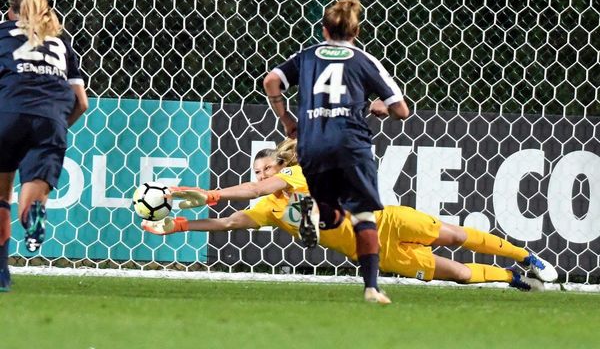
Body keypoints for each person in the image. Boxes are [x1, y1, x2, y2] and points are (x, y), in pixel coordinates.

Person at [141, 139, 558, 302]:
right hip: (371, 249)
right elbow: (230, 223)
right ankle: (513, 279)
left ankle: (526, 257)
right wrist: (178, 225)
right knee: (460, 275)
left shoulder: (299, 175)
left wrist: (210, 195)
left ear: (279, 165)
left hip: (385, 221)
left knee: (452, 233)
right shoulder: (270, 208)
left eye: (265, 168)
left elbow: (251, 192)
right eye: (258, 171)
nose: (261, 175)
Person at [262, 0, 410, 303]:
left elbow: (271, 81)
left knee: (332, 216)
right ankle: (371, 287)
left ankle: (313, 211)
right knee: (363, 214)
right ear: (355, 32)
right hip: (351, 145)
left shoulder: (306, 56)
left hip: (312, 144)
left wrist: (288, 118)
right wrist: (381, 105)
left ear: (324, 30)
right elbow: (402, 110)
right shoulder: (364, 60)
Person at [0, 0, 89, 292]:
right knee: (29, 202)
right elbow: (82, 102)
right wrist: (58, 128)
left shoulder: (2, 34)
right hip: (52, 120)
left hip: (8, 114)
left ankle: (1, 276)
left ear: (10, 12)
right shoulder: (60, 41)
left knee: (0, 197)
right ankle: (32, 216)